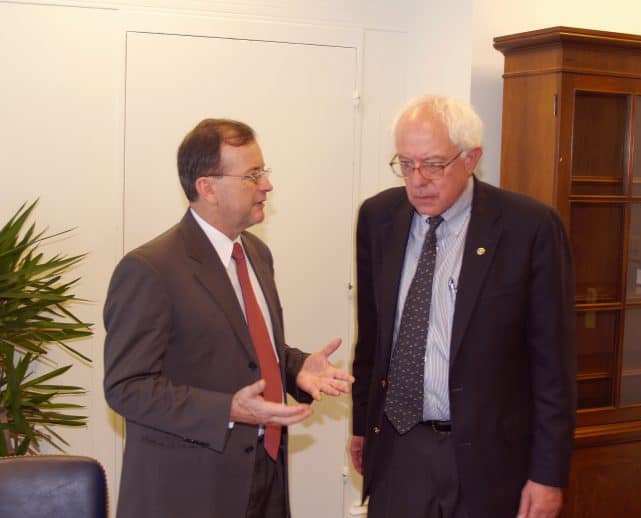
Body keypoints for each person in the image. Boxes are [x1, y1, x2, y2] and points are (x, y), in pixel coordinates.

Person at [104, 118, 354, 518]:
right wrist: (228, 410)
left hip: (265, 473)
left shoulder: (256, 253)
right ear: (208, 188)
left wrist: (295, 368)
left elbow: (247, 347)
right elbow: (127, 388)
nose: (267, 186)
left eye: (264, 172)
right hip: (191, 490)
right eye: (253, 175)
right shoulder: (149, 269)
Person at [349, 95, 575, 518]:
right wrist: (363, 426)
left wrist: (548, 474)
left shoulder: (529, 228)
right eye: (405, 163)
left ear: (472, 158)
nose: (417, 180)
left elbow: (554, 368)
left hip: (489, 458)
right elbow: (373, 337)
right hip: (401, 448)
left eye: (433, 164)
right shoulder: (378, 218)